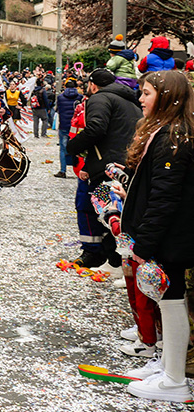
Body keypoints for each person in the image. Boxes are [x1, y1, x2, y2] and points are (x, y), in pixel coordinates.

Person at [109, 71, 194, 402]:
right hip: (165, 238)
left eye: (146, 93)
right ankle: (167, 366)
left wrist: (144, 243)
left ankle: (173, 379)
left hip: (170, 240)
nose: (140, 99)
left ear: (166, 96)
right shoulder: (168, 132)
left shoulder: (175, 137)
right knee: (169, 305)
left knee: (172, 306)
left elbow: (165, 198)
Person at [66, 68, 142, 268]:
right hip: (124, 165)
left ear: (92, 84)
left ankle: (111, 259)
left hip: (106, 167)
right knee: (116, 212)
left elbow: (96, 129)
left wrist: (73, 146)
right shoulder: (130, 101)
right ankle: (114, 258)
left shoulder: (99, 99)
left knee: (105, 212)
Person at [54, 78, 82, 178]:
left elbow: (57, 110)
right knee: (79, 149)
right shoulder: (80, 97)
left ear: (65, 87)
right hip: (77, 126)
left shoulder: (60, 97)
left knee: (62, 148)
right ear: (76, 87)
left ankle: (62, 170)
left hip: (64, 126)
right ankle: (80, 169)